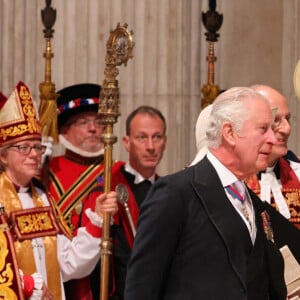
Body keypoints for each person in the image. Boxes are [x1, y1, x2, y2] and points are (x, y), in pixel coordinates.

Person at [124, 87, 287, 300]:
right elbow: (141, 288)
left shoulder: (255, 203)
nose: (273, 139)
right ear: (229, 133)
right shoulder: (175, 194)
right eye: (263, 129)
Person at [0, 81, 118, 299]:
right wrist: (28, 287)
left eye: (37, 146)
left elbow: (69, 264)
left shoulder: (43, 198)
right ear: (3, 155)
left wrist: (96, 222)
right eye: (24, 147)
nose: (34, 154)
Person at [81, 105, 167, 300]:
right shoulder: (106, 190)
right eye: (142, 137)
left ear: (165, 142)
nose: (151, 146)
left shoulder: (169, 190)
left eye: (157, 137)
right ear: (127, 142)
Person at [45, 83, 107, 299]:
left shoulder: (115, 172)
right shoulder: (43, 172)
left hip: (100, 280)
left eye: (98, 122)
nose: (93, 129)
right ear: (63, 130)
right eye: (83, 122)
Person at [246, 85, 300, 230]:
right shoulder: (232, 179)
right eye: (276, 120)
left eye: (288, 119)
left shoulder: (298, 172)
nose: (287, 129)